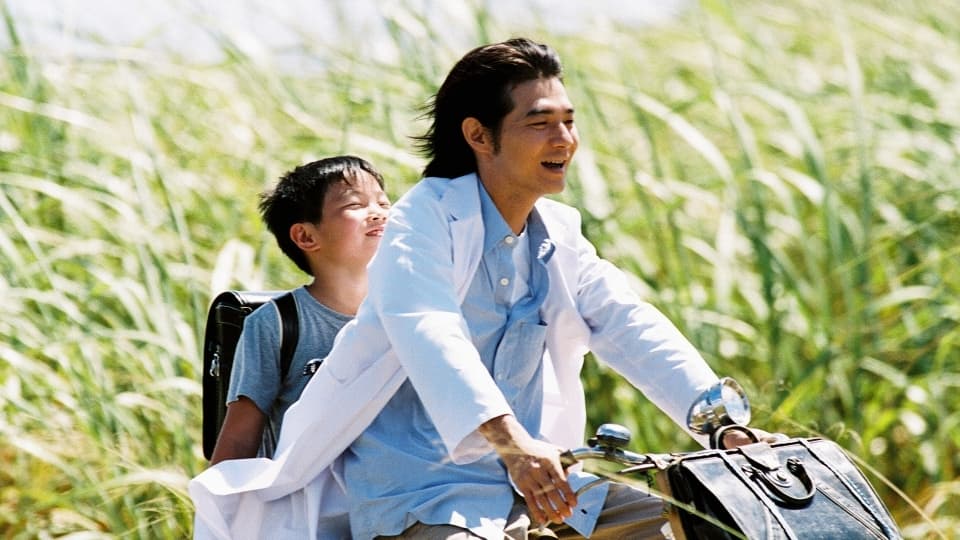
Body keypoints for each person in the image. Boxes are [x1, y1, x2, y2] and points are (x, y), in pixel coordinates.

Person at [188, 38, 768, 540]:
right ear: (478, 136)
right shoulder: (420, 224)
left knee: (708, 522)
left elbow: (626, 321)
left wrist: (720, 423)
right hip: (424, 497)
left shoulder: (559, 235)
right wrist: (511, 443)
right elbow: (430, 331)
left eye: (569, 121)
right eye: (540, 123)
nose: (564, 139)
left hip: (543, 484)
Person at [209, 155, 390, 465]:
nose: (378, 214)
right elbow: (239, 439)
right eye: (355, 205)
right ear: (306, 236)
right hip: (309, 495)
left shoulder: (414, 312)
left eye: (384, 203)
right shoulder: (276, 325)